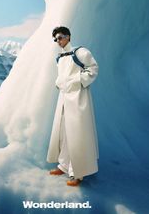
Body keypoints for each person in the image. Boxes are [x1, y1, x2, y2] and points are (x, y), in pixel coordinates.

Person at [47, 26, 100, 186]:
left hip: (78, 98)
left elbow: (93, 69)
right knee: (63, 131)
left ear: (68, 37)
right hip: (64, 98)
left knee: (77, 133)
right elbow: (62, 76)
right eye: (56, 39)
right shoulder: (60, 57)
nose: (59, 41)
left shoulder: (80, 52)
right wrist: (60, 83)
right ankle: (64, 165)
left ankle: (78, 173)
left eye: (61, 37)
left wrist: (77, 82)